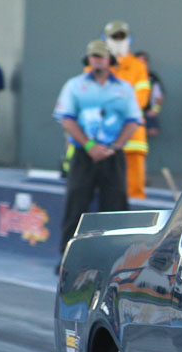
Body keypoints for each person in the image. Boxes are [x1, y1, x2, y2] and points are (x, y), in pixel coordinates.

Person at [53, 39, 141, 256]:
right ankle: (67, 257)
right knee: (76, 205)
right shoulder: (75, 86)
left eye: (101, 57)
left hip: (113, 155)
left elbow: (133, 121)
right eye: (94, 56)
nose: (97, 61)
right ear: (88, 59)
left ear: (110, 60)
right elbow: (67, 120)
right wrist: (90, 145)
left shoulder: (124, 88)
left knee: (116, 209)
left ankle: (115, 258)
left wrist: (115, 146)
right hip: (84, 155)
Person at [103, 20, 150, 199]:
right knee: (105, 189)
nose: (118, 40)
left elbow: (142, 99)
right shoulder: (97, 64)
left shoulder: (138, 66)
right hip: (104, 137)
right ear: (106, 39)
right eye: (114, 36)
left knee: (135, 189)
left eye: (121, 36)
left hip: (132, 137)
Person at [134, 51, 164, 138]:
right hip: (131, 111)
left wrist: (155, 110)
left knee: (152, 131)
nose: (142, 65)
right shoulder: (128, 76)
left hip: (146, 111)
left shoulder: (152, 77)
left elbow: (159, 97)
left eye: (144, 62)